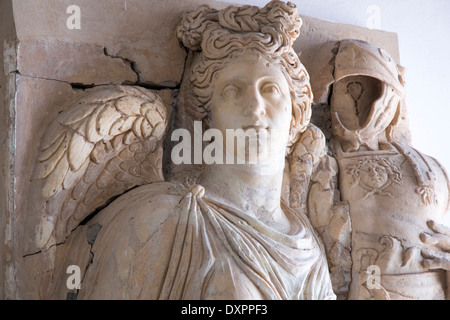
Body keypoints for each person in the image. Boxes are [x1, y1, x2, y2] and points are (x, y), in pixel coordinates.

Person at [50, 1, 336, 300]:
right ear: (208, 119)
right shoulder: (162, 219)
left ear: (296, 115)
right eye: (232, 91)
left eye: (270, 90)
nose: (254, 107)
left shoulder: (308, 243)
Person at [327, 39, 450, 299]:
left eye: (369, 87)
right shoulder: (323, 155)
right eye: (347, 87)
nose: (354, 97)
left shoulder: (431, 166)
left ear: (392, 93)